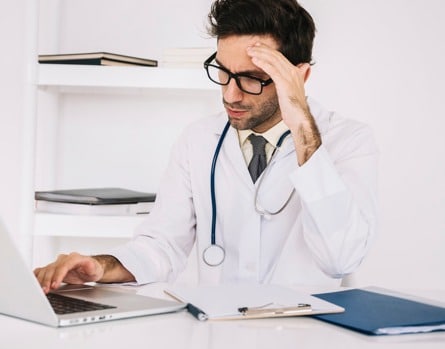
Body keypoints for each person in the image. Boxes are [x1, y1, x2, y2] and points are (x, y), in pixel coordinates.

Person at [34, 0, 378, 293]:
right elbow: (161, 245)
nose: (231, 94)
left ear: (298, 78)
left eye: (251, 79)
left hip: (305, 335)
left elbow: (341, 258)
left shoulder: (347, 141)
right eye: (224, 72)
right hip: (218, 332)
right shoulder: (199, 140)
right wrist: (101, 266)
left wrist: (302, 126)